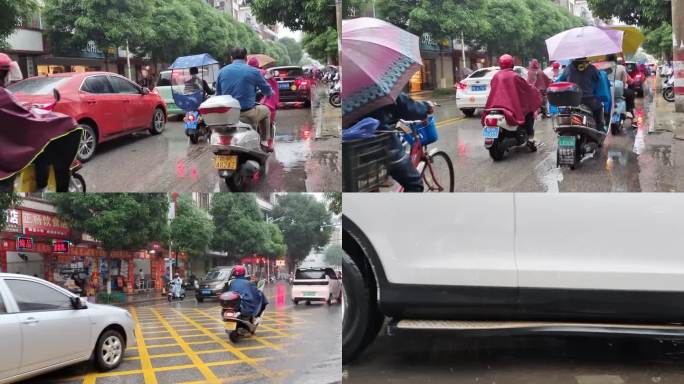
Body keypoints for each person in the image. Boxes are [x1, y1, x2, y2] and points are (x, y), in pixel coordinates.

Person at [0, 53, 82, 192]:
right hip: (5, 163)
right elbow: (27, 119)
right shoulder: (4, 96)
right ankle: (44, 185)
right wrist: (59, 120)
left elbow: (18, 113)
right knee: (64, 130)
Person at [359, 93, 434, 192]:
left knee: (370, 184)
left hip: (353, 152)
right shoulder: (373, 88)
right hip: (380, 145)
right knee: (414, 184)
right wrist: (425, 107)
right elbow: (405, 107)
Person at [216, 47, 274, 152]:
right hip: (246, 114)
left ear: (231, 58)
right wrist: (270, 93)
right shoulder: (253, 71)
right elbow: (267, 90)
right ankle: (264, 142)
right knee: (266, 111)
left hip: (227, 116)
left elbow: (218, 95)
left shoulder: (221, 72)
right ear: (246, 58)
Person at [482, 54, 542, 147]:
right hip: (510, 107)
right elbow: (526, 88)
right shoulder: (515, 76)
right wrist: (534, 91)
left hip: (494, 105)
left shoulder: (496, 76)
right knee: (529, 113)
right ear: (512, 64)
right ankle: (530, 137)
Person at [557, 57, 605, 131]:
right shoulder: (592, 68)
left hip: (572, 101)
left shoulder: (568, 69)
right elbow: (599, 80)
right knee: (599, 108)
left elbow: (561, 81)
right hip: (589, 100)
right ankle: (600, 129)